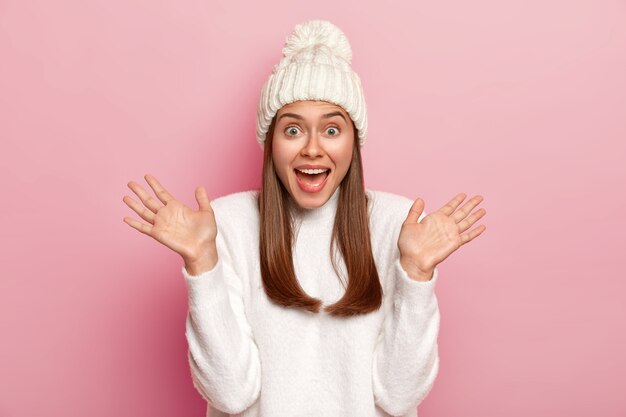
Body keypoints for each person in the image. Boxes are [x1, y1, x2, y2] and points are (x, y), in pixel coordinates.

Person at [122, 19, 486, 417]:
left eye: (332, 129)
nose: (313, 149)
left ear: (354, 141)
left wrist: (415, 273)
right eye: (293, 129)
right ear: (271, 141)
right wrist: (201, 263)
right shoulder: (225, 225)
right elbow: (230, 395)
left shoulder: (399, 226)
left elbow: (399, 396)